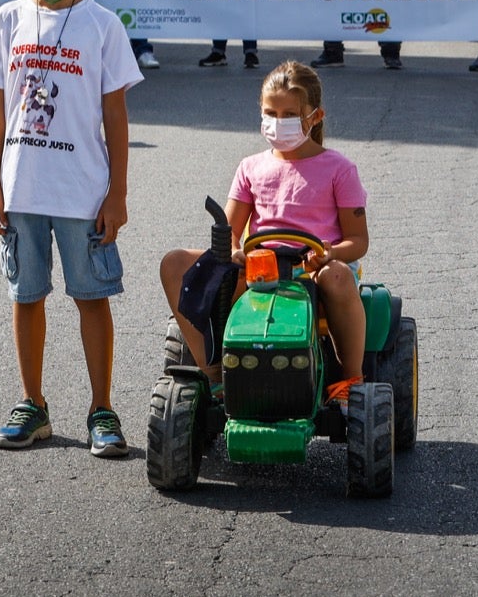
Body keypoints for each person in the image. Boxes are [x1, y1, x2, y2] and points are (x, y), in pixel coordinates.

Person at [0, 0, 141, 456]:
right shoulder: (8, 19)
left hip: (81, 189)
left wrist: (116, 193)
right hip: (22, 186)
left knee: (91, 297)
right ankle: (33, 406)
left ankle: (102, 409)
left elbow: (115, 115)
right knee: (27, 297)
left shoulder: (102, 24)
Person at [158, 60, 369, 405]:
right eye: (271, 113)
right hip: (260, 266)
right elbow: (229, 231)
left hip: (314, 268)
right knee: (174, 264)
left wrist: (329, 253)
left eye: (289, 114)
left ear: (315, 116)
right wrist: (236, 250)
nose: (278, 122)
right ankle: (215, 374)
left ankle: (349, 381)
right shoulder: (251, 167)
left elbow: (358, 240)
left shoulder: (339, 169)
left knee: (338, 278)